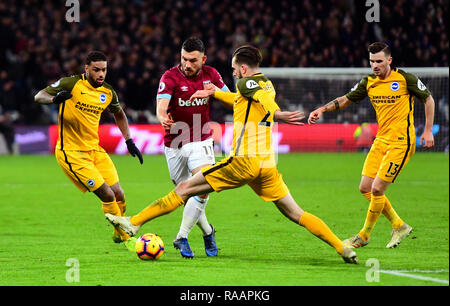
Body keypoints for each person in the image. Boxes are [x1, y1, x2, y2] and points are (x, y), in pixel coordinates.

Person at [106, 45, 358, 264]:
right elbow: (245, 98)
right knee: (297, 214)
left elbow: (261, 101)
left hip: (243, 162)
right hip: (267, 164)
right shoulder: (265, 82)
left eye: (235, 69)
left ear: (244, 69)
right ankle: (342, 247)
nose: (234, 73)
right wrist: (214, 92)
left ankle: (134, 223)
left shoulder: (246, 83)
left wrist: (278, 114)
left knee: (184, 188)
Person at [308, 42, 435, 249]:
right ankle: (399, 225)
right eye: (371, 61)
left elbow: (428, 100)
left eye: (379, 61)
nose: (375, 65)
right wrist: (322, 109)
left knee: (377, 188)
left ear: (389, 60)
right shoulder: (369, 82)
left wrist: (428, 130)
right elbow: (346, 99)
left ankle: (364, 235)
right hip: (381, 140)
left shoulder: (405, 79)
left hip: (401, 142)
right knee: (365, 188)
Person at [34, 51, 144, 249]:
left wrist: (129, 141)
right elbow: (38, 96)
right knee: (108, 195)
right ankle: (127, 239)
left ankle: (117, 233)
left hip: (95, 150)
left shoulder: (108, 92)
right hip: (72, 153)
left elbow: (119, 114)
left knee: (119, 194)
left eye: (104, 70)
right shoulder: (71, 84)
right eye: (96, 70)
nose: (101, 74)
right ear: (86, 69)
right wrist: (55, 100)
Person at [156, 37, 230, 258]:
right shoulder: (170, 76)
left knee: (205, 185)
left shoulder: (212, 75)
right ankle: (208, 231)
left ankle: (181, 236)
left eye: (193, 60)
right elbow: (161, 105)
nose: (187, 64)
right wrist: (162, 118)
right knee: (187, 196)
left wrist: (214, 92)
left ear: (203, 59)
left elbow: (230, 98)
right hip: (175, 142)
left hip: (201, 137)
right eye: (184, 59)